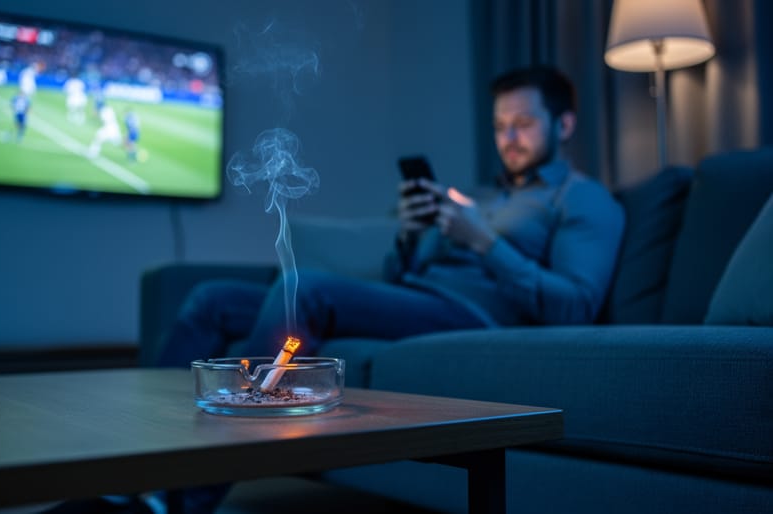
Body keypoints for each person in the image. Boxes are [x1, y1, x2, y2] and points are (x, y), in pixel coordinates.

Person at [156, 66, 625, 370]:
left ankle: (182, 492)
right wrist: (410, 233)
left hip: (475, 317)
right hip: (414, 299)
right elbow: (402, 276)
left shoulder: (584, 198)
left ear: (564, 125)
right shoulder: (482, 196)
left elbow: (577, 306)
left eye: (522, 124)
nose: (508, 138)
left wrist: (484, 242)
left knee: (307, 289)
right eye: (500, 126)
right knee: (210, 298)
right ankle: (138, 456)